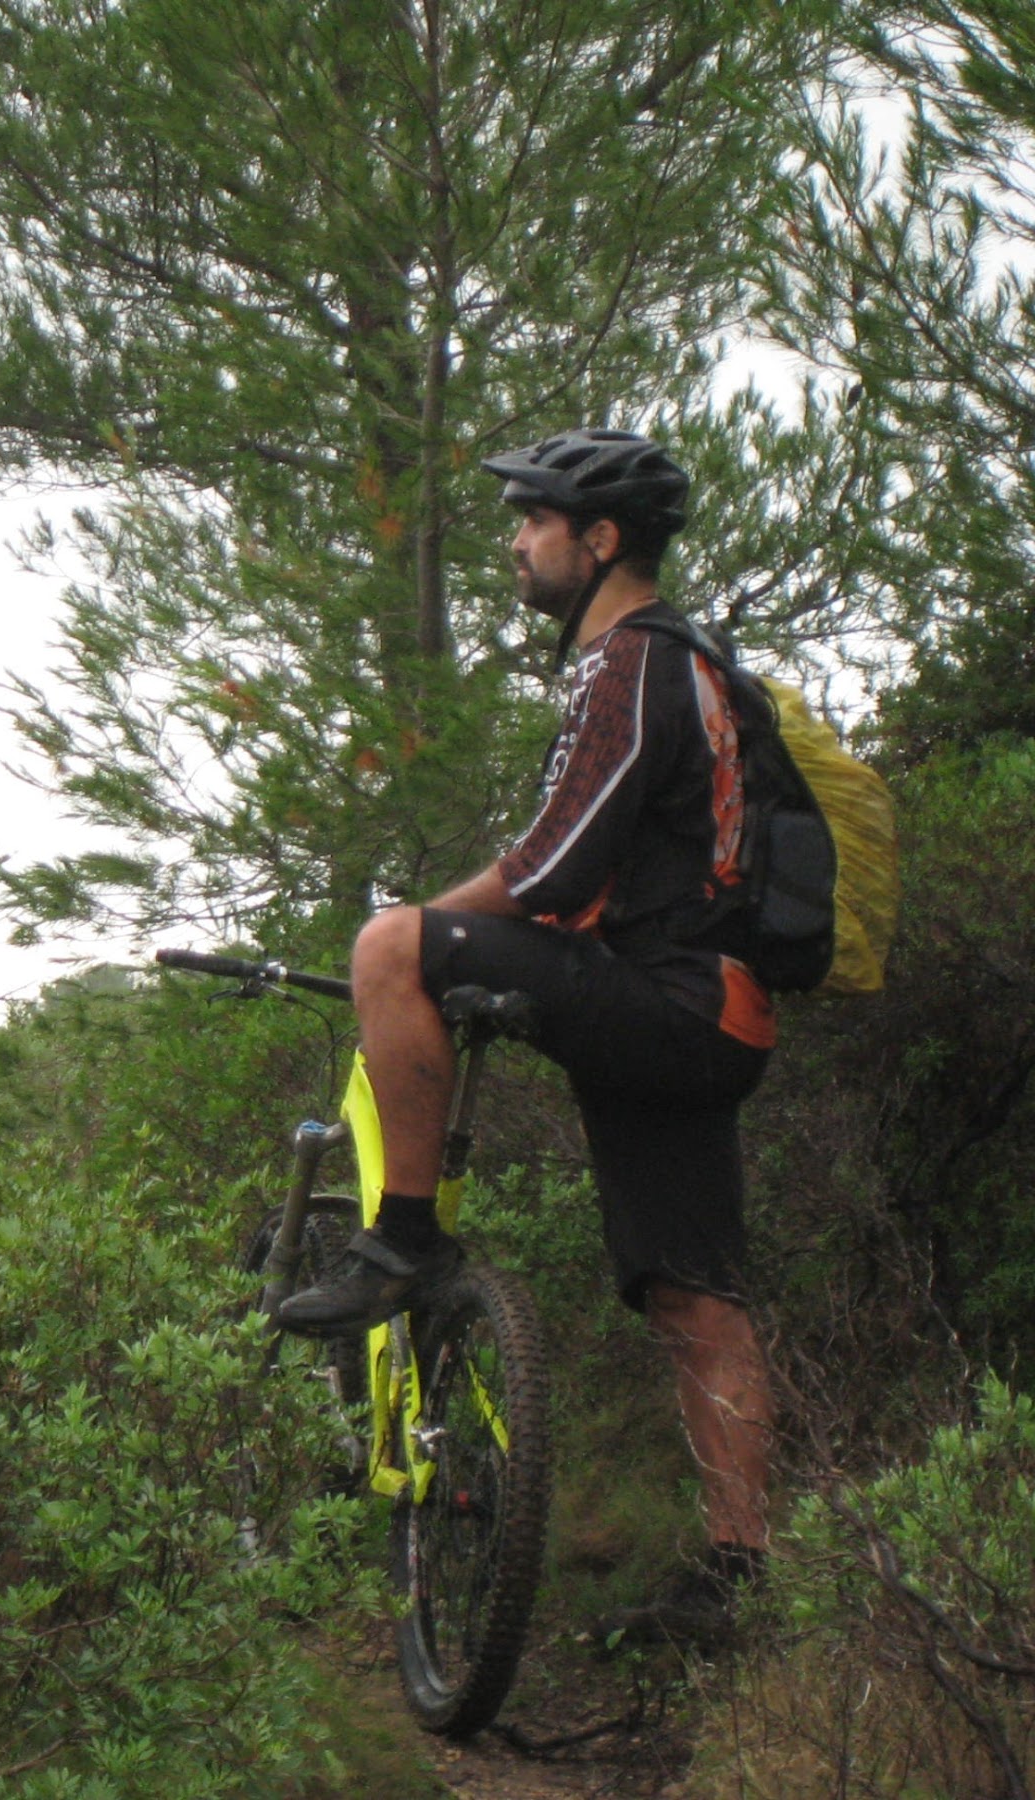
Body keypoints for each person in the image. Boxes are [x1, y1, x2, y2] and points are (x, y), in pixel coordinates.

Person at [281, 428, 776, 1650]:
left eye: (534, 520)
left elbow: (554, 871)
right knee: (697, 1298)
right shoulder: (692, 661)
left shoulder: (634, 662)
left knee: (391, 946)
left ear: (598, 540)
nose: (515, 541)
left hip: (664, 999)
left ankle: (404, 1240)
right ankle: (739, 1582)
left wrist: (408, 937)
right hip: (715, 1010)